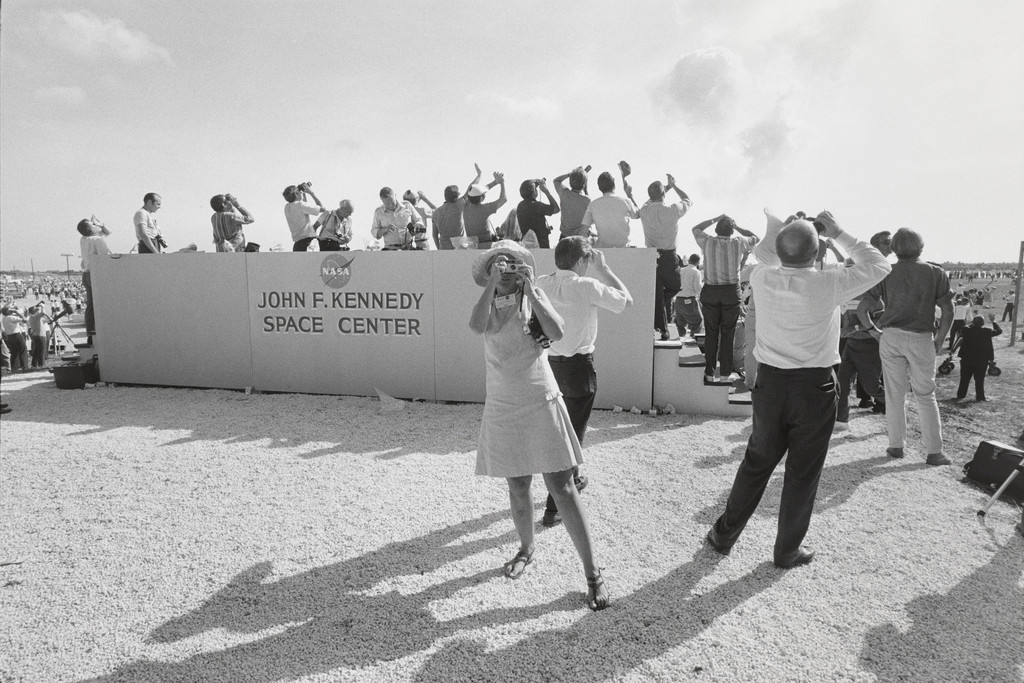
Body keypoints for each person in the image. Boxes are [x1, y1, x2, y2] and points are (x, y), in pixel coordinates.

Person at [705, 210, 890, 568]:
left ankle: (723, 535)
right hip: (813, 386)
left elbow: (765, 256)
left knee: (756, 463)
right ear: (817, 250)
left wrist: (785, 231)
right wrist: (837, 232)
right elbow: (879, 264)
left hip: (770, 384)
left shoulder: (761, 276)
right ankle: (787, 549)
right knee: (803, 472)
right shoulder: (830, 282)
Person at [469, 240, 608, 611]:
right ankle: (527, 549)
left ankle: (593, 573)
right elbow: (476, 325)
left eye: (514, 262)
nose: (508, 267)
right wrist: (491, 286)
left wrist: (531, 290)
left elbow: (558, 332)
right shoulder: (489, 297)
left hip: (538, 395)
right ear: (490, 270)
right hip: (502, 400)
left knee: (562, 486)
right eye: (501, 262)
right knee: (517, 484)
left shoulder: (533, 296)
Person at [536, 236, 632, 527]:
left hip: (549, 365)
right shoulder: (587, 286)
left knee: (558, 433)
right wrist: (604, 269)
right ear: (580, 261)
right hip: (579, 367)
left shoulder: (542, 282)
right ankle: (553, 509)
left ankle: (573, 479)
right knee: (572, 438)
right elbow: (626, 301)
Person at [861, 228, 954, 465]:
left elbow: (862, 309)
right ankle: (934, 451)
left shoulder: (886, 272)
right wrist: (940, 340)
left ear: (894, 249)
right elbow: (948, 310)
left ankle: (896, 446)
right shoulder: (935, 272)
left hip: (891, 336)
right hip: (922, 337)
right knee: (925, 394)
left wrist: (873, 331)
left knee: (894, 394)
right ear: (921, 247)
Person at [691, 215, 759, 382]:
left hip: (711, 291)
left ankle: (709, 372)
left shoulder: (707, 241)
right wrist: (738, 227)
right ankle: (725, 374)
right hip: (730, 292)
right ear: (732, 230)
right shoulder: (738, 242)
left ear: (715, 230)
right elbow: (755, 237)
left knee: (711, 333)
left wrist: (715, 219)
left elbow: (695, 229)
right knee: (728, 334)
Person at [639, 174, 692, 340]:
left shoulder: (645, 210)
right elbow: (687, 199)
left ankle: (661, 323)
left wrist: (665, 189)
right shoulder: (672, 210)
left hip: (651, 257)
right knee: (675, 287)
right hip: (669, 256)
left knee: (658, 295)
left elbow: (649, 201)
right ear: (664, 195)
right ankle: (663, 328)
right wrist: (673, 186)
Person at [834, 294, 885, 430]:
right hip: (850, 345)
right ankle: (842, 420)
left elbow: (880, 321)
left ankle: (898, 403)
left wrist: (853, 328)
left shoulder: (874, 299)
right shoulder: (845, 293)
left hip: (869, 346)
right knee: (842, 384)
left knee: (872, 388)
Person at [581, 170, 639, 249]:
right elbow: (637, 215)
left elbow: (583, 232)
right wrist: (630, 196)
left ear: (599, 188)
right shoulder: (625, 201)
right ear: (614, 184)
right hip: (624, 249)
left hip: (602, 250)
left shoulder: (593, 205)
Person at [78, 216, 112, 345]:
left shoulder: (84, 239)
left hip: (86, 274)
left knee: (91, 306)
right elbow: (106, 257)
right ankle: (101, 332)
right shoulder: (97, 240)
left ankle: (91, 333)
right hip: (96, 275)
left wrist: (100, 224)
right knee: (102, 304)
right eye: (93, 224)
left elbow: (108, 232)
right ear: (91, 228)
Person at [956, 314, 1001, 402]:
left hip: (966, 359)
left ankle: (961, 395)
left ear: (973, 322)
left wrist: (973, 322)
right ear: (983, 323)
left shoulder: (966, 330)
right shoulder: (987, 331)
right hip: (981, 359)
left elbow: (967, 326)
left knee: (964, 378)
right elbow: (999, 331)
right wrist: (993, 321)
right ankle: (980, 397)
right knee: (979, 379)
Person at [463, 168, 507, 248]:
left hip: (472, 246)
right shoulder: (486, 208)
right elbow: (503, 199)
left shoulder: (465, 206)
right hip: (486, 245)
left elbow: (475, 192)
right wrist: (501, 182)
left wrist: (495, 182)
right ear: (482, 198)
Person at [515, 179, 559, 249]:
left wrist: (535, 183)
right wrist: (547, 192)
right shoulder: (537, 206)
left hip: (526, 245)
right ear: (533, 191)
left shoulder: (520, 205)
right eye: (535, 188)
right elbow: (556, 209)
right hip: (541, 245)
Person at [552, 166, 592, 241]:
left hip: (564, 237)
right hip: (580, 239)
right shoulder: (586, 200)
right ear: (584, 184)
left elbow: (556, 180)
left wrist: (569, 174)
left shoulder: (564, 194)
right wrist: (586, 190)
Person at [283, 182, 326, 251]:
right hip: (308, 244)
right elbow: (323, 208)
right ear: (296, 194)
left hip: (297, 245)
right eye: (298, 192)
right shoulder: (301, 205)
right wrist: (311, 193)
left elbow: (303, 206)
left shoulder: (287, 207)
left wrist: (302, 194)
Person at [675, 253, 704, 339]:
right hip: (689, 301)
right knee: (697, 322)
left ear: (689, 261)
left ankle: (679, 342)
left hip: (678, 301)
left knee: (680, 325)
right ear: (698, 262)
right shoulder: (696, 272)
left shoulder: (680, 270)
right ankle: (693, 343)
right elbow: (698, 289)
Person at [1, 307, 30, 373]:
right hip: (16, 334)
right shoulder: (11, 317)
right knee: (23, 350)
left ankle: (14, 368)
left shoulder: (4, 318)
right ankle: (24, 367)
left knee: (14, 352)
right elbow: (25, 320)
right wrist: (18, 313)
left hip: (9, 336)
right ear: (9, 311)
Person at [28, 305, 53, 369]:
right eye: (35, 309)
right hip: (40, 335)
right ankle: (41, 364)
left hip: (35, 335)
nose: (37, 309)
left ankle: (34, 364)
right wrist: (43, 307)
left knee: (36, 350)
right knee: (42, 350)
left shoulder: (33, 317)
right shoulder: (36, 317)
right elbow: (43, 313)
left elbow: (48, 320)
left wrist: (49, 318)